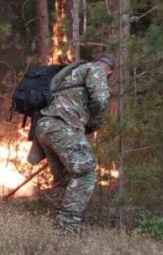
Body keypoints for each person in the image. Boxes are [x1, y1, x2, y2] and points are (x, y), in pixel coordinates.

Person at [35, 53, 115, 234]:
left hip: (45, 126)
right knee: (85, 171)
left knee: (63, 179)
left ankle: (56, 226)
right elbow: (100, 100)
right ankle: (67, 227)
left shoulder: (73, 73)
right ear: (109, 71)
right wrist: (95, 123)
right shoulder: (96, 70)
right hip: (63, 125)